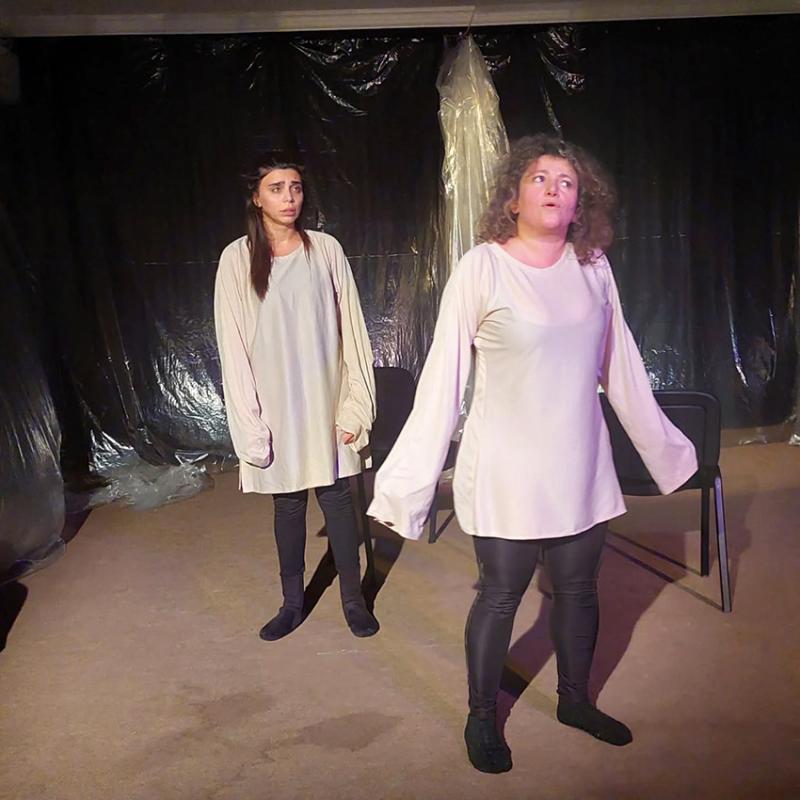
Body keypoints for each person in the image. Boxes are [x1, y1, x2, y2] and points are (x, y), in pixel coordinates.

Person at [368, 134, 698, 773]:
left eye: (567, 182)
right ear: (513, 197)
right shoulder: (482, 268)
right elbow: (443, 379)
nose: (553, 189)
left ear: (580, 204)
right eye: (540, 178)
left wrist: (666, 453)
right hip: (507, 469)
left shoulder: (593, 267)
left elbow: (621, 367)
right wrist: (408, 481)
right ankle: (481, 716)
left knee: (578, 590)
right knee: (501, 595)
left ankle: (575, 701)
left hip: (580, 463)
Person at [214, 159, 378, 641]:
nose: (289, 197)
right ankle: (291, 603)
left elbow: (353, 332)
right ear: (256, 197)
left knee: (337, 500)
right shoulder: (236, 259)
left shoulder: (325, 250)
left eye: (296, 188)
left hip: (326, 401)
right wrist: (251, 424)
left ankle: (354, 600)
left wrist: (355, 406)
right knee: (287, 505)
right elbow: (233, 347)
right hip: (277, 408)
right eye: (277, 188)